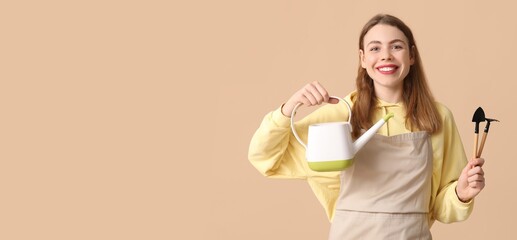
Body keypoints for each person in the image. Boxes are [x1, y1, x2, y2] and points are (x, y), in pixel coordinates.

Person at [248, 14, 485, 239]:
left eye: (396, 46)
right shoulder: (340, 115)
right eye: (375, 48)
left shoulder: (436, 117)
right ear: (363, 59)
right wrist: (289, 108)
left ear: (411, 55)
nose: (386, 56)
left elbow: (440, 207)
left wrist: (461, 194)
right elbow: (265, 157)